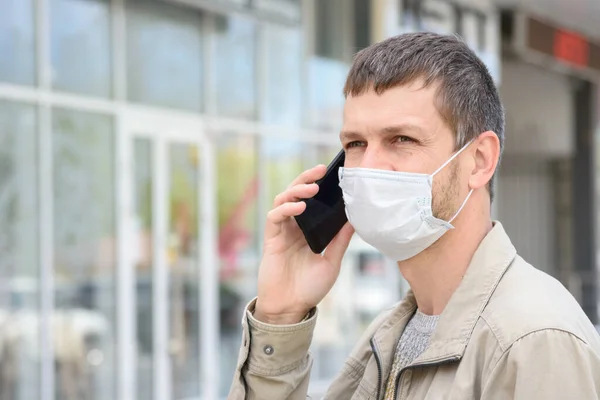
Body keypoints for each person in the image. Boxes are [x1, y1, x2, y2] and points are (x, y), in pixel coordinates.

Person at [227, 32, 600, 400]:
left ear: (480, 160)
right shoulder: (389, 334)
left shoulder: (535, 342)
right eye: (355, 144)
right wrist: (281, 316)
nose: (370, 166)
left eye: (401, 139)